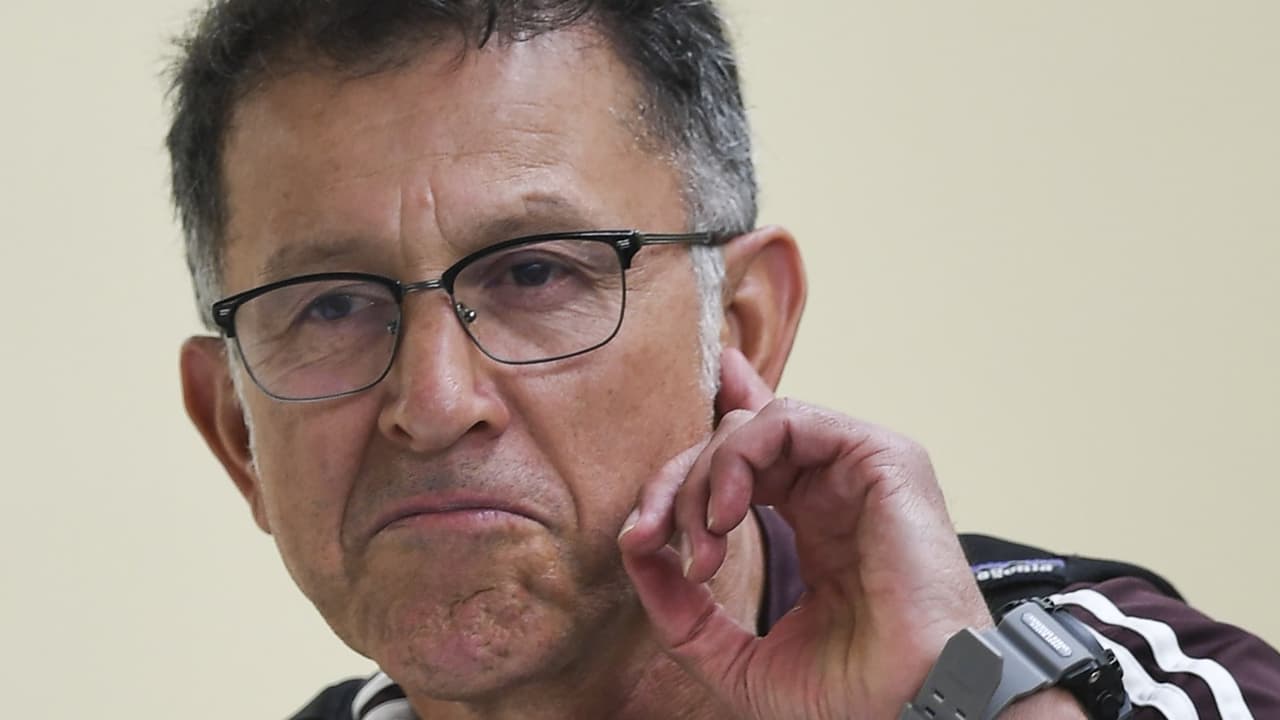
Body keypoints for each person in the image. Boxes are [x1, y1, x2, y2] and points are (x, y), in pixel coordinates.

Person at [167, 1, 1280, 718]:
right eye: (330, 305)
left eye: (534, 273)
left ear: (739, 329)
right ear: (236, 436)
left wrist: (961, 699)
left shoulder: (1114, 685)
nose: (433, 399)